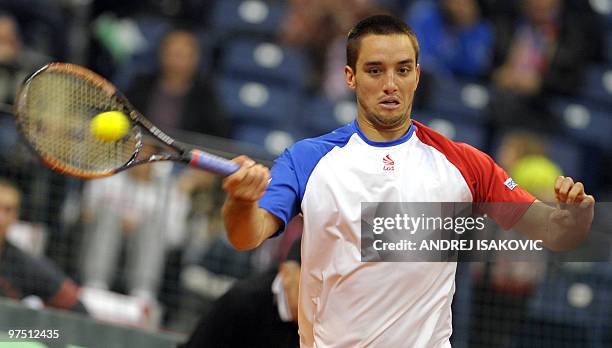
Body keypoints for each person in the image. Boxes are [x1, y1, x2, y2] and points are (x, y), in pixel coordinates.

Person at [221, 15, 595, 347]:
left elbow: (554, 233)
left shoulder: (464, 164)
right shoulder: (307, 160)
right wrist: (240, 202)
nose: (390, 84)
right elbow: (246, 235)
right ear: (350, 76)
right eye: (374, 70)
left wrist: (574, 219)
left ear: (417, 74)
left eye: (402, 70)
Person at [182, 235, 302, 348]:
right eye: (311, 286)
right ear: (286, 274)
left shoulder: (315, 324)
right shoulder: (242, 302)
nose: (317, 301)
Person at [0, 178, 87, 313]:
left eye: (8, 210)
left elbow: (77, 308)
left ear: (16, 216)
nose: (1, 217)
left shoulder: (25, 266)